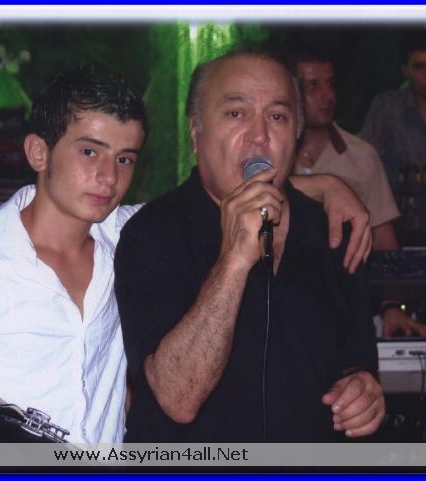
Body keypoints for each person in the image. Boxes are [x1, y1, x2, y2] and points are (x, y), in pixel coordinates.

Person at [0, 64, 373, 444]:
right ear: (39, 153)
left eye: (124, 159)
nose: (108, 176)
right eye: (89, 152)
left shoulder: (123, 235)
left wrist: (325, 185)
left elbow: (218, 195)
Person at [115, 49, 385, 443]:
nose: (259, 135)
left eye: (277, 117)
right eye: (236, 113)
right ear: (195, 132)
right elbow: (177, 398)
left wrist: (364, 393)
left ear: (295, 135)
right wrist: (234, 260)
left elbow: (357, 364)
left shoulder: (334, 230)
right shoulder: (153, 234)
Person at [291, 49, 426, 338]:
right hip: (283, 307)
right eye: (313, 86)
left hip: (346, 310)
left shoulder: (362, 155)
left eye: (331, 84)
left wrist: (393, 306)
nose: (327, 95)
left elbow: (384, 240)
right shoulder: (269, 154)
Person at [360, 28, 426, 194]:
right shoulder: (386, 108)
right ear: (405, 70)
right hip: (400, 207)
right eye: (419, 67)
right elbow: (366, 166)